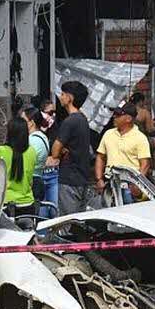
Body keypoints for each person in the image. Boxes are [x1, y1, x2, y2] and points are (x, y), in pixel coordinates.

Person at [45, 80, 99, 216]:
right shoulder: (83, 119)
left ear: (70, 98)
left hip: (69, 179)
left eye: (63, 94)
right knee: (78, 222)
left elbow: (55, 152)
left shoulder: (70, 121)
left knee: (66, 223)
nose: (61, 97)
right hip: (82, 178)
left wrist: (60, 150)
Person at [95, 103, 152, 203]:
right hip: (109, 185)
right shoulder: (108, 134)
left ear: (128, 118)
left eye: (118, 115)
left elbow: (145, 164)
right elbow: (100, 157)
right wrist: (99, 179)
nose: (114, 117)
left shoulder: (140, 138)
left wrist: (137, 185)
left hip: (129, 186)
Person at [0, 117, 37, 218]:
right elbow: (30, 179)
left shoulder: (1, 151)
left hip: (6, 205)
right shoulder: (32, 151)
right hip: (27, 204)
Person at [21, 106, 54, 206]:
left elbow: (25, 161)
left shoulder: (33, 141)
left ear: (31, 122)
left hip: (31, 182)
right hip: (38, 178)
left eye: (23, 120)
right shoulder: (42, 136)